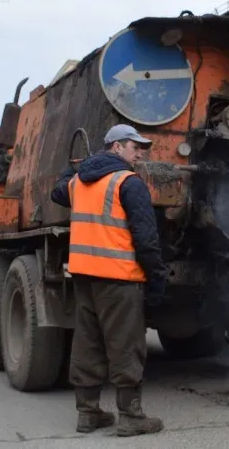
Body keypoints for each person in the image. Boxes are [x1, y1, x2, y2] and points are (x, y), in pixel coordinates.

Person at [50, 123, 167, 437]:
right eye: (135, 147)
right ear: (116, 147)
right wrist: (156, 277)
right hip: (119, 278)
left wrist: (73, 166)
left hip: (85, 276)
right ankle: (131, 417)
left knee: (87, 343)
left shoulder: (78, 182)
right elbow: (146, 237)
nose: (140, 153)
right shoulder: (128, 183)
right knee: (126, 345)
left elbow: (57, 189)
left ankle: (88, 414)